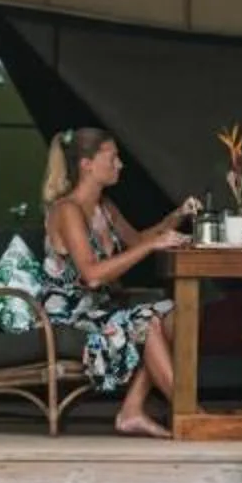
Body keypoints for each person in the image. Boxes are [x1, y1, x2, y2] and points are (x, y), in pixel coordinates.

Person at [40, 127, 192, 439]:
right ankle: (192, 415)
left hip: (99, 310)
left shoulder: (105, 208)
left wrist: (179, 215)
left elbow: (137, 240)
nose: (120, 164)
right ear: (87, 165)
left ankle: (132, 410)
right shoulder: (67, 211)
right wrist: (153, 245)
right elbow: (92, 275)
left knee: (175, 313)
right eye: (113, 157)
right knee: (147, 321)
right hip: (69, 315)